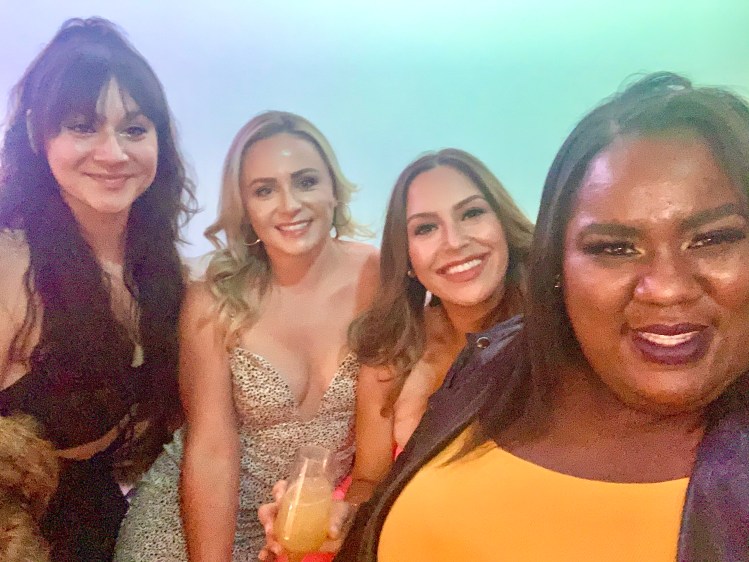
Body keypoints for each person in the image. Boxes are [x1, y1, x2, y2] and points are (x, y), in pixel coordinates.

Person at [336, 72, 749, 561]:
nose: (666, 287)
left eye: (713, 239)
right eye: (615, 247)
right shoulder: (491, 359)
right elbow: (374, 490)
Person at [114, 110, 379, 561]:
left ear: (334, 189)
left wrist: (346, 514)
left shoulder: (375, 275)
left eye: (306, 182)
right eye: (264, 190)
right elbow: (210, 450)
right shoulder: (213, 299)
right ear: (245, 207)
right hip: (193, 525)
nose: (289, 205)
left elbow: (374, 462)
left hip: (310, 527)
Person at [259, 148, 533, 559]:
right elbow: (370, 481)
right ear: (406, 258)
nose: (455, 242)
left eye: (472, 213)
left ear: (504, 225)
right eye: (426, 228)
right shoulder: (396, 346)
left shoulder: (557, 339)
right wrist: (343, 518)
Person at [0, 18, 196, 561]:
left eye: (134, 129)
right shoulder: (11, 263)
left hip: (100, 519)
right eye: (82, 127)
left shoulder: (163, 268)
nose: (112, 153)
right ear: (39, 137)